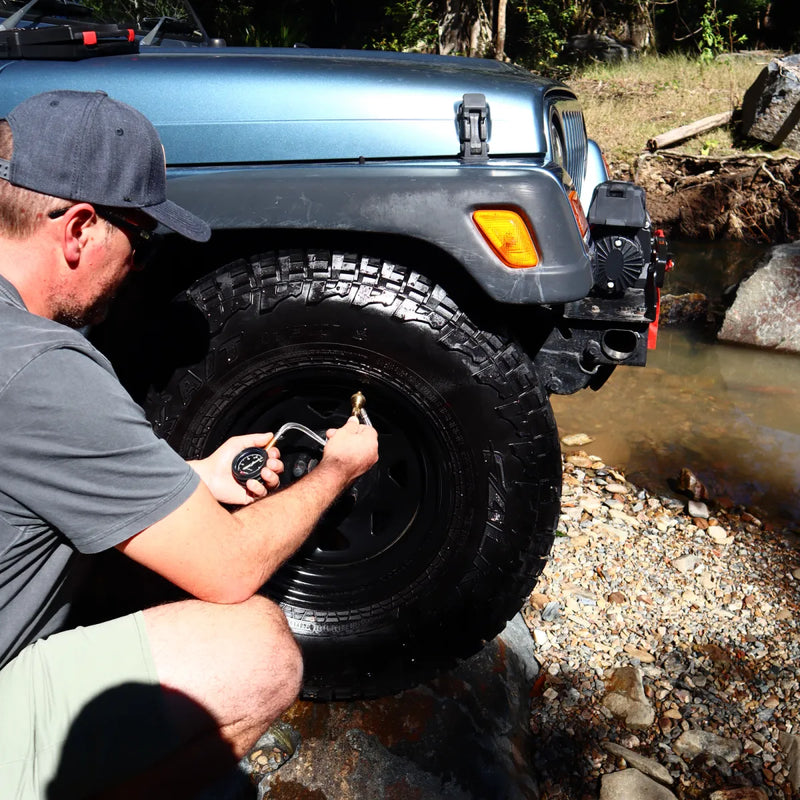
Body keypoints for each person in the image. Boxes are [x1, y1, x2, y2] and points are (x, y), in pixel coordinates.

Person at [0, 89, 379, 799]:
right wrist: (335, 472)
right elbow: (230, 570)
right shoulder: (45, 368)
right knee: (259, 653)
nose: (138, 267)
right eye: (139, 243)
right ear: (79, 228)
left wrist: (192, 477)